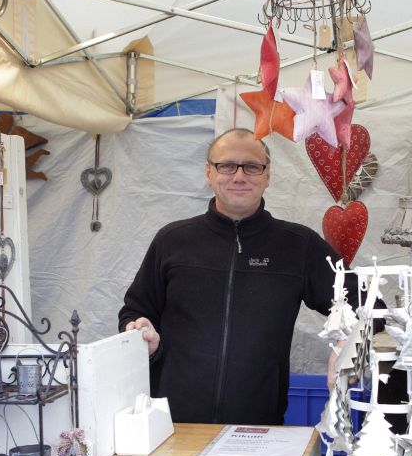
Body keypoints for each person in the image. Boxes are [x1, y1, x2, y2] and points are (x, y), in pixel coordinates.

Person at [119, 128, 364, 425]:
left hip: (258, 428)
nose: (239, 176)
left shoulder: (299, 246)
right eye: (226, 165)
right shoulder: (172, 241)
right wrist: (140, 329)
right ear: (209, 173)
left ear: (267, 175)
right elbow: (135, 311)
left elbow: (369, 308)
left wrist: (348, 343)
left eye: (251, 166)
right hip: (173, 425)